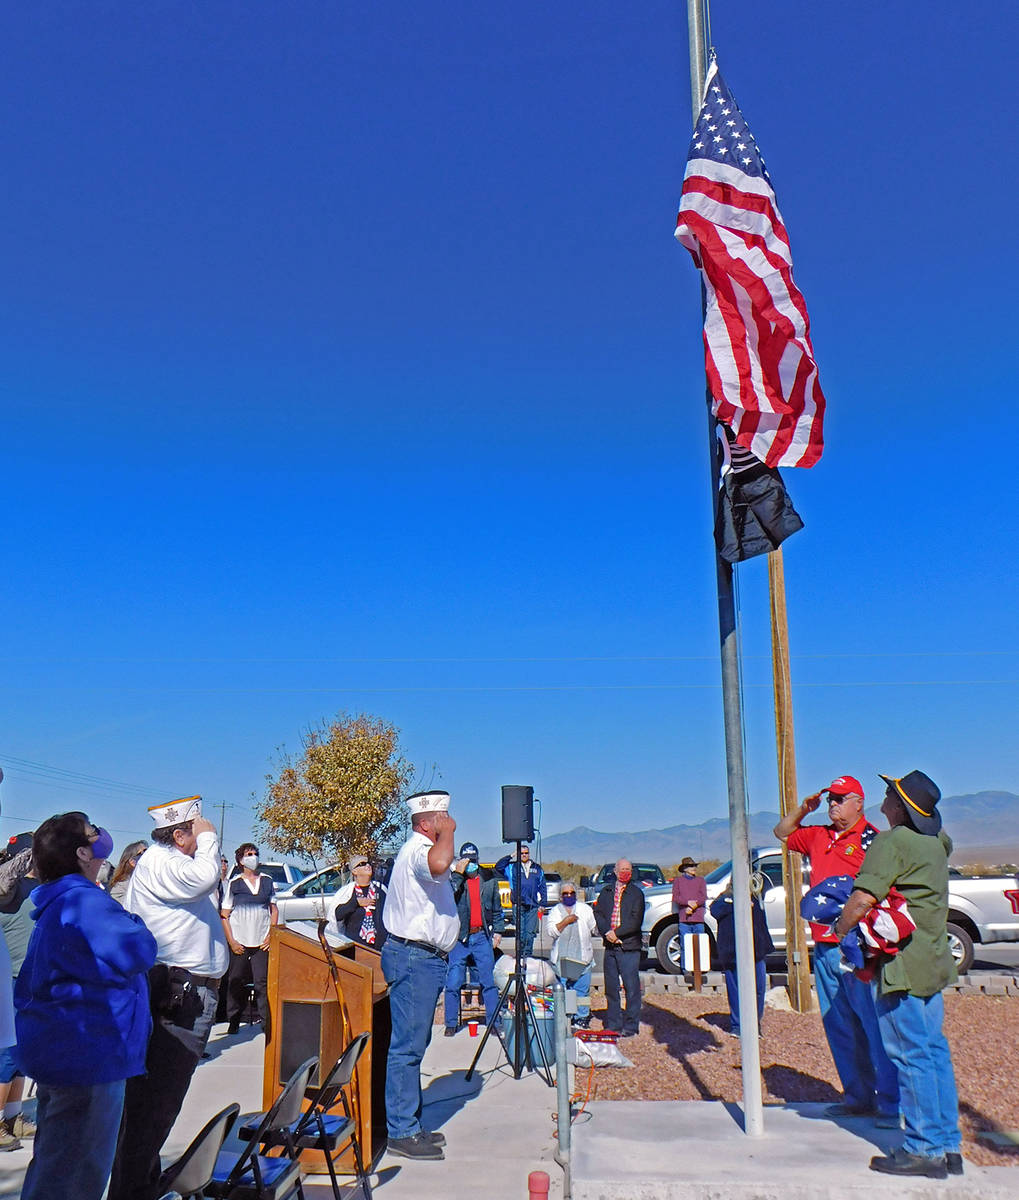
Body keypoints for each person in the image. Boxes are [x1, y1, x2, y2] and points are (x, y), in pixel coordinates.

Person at [15, 812, 157, 1200]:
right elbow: (138, 950)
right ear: (81, 852)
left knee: (57, 1163)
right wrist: (137, 923)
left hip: (71, 1055)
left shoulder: (65, 899)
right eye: (92, 834)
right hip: (89, 1058)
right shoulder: (84, 901)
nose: (100, 837)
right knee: (76, 1175)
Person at [835, 771, 963, 1180]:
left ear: (900, 806)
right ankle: (947, 1144)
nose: (883, 800)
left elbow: (863, 897)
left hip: (902, 965)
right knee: (932, 1052)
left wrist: (840, 930)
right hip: (934, 960)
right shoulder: (936, 843)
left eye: (889, 795)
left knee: (910, 1056)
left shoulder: (892, 843)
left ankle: (924, 1149)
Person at [108, 796, 229, 1200]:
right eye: (196, 829)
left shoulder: (171, 862)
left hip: (188, 991)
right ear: (179, 835)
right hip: (180, 994)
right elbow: (203, 879)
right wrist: (210, 842)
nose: (204, 834)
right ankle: (132, 1191)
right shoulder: (163, 861)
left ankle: (140, 1183)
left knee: (155, 1105)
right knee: (154, 1105)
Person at [774, 775, 899, 1126]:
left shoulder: (873, 840)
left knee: (873, 1025)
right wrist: (803, 809)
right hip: (825, 948)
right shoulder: (818, 835)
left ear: (859, 802)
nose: (833, 805)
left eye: (841, 799)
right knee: (839, 1025)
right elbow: (782, 833)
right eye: (831, 799)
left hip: (857, 947)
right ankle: (858, 1097)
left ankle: (891, 1105)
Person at [380, 790, 459, 1162]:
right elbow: (441, 864)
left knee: (414, 1043)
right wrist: (451, 832)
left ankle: (408, 1121)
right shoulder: (417, 851)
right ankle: (402, 1131)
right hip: (414, 957)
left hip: (424, 958)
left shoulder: (421, 850)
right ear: (426, 823)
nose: (448, 820)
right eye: (442, 817)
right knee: (407, 1048)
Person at [0, 833, 38, 1149]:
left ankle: (14, 1116)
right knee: (7, 1056)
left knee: (21, 1055)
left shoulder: (34, 889)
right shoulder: (8, 892)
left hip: (28, 981)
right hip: (11, 980)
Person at [443, 841, 504, 1035]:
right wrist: (458, 876)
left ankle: (492, 1021)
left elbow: (497, 909)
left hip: (481, 937)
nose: (471, 864)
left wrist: (498, 932)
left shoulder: (489, 882)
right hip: (460, 939)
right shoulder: (454, 882)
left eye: (474, 861)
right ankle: (451, 1023)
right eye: (467, 861)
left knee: (489, 981)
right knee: (453, 981)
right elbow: (447, 898)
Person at [220, 842, 278, 1036]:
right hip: (240, 941)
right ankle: (234, 1021)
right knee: (236, 980)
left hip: (261, 941)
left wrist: (271, 935)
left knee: (262, 982)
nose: (253, 857)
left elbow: (273, 910)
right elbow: (225, 915)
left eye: (255, 853)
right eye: (248, 854)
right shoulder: (234, 884)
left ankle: (265, 1022)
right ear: (240, 860)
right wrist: (232, 941)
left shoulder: (268, 881)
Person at [709, 882, 773, 1037]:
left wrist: (766, 945)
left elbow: (761, 924)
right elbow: (715, 911)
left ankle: (754, 1024)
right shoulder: (724, 899)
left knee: (758, 989)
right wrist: (737, 905)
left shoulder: (756, 899)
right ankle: (737, 1026)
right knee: (736, 990)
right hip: (733, 953)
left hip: (756, 951)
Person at [593, 858, 645, 1037]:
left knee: (631, 988)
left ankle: (631, 1026)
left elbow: (635, 920)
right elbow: (598, 914)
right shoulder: (606, 892)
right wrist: (607, 932)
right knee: (611, 988)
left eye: (628, 869)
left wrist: (617, 934)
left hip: (628, 947)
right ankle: (614, 1024)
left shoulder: (637, 893)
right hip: (610, 947)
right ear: (615, 871)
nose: (625, 872)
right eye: (622, 869)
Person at [543, 881, 598, 1027]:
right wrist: (566, 921)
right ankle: (564, 1017)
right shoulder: (555, 911)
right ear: (561, 896)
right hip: (561, 960)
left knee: (581, 992)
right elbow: (551, 932)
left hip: (582, 959)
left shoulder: (585, 909)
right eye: (565, 894)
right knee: (562, 991)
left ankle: (582, 1018)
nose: (568, 896)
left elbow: (594, 928)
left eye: (571, 893)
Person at [495, 843, 546, 959]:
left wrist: (543, 903)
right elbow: (499, 866)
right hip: (518, 905)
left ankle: (528, 956)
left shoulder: (537, 868)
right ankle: (520, 956)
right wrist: (512, 855)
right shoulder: (512, 867)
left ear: (529, 854)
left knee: (530, 934)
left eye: (526, 853)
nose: (524, 855)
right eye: (521, 853)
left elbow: (543, 886)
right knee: (521, 934)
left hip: (532, 906)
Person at [332, 853, 388, 949]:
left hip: (378, 948)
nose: (367, 865)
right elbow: (337, 915)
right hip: (355, 947)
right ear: (354, 871)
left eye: (368, 863)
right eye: (362, 864)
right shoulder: (347, 892)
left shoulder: (380, 890)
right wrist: (356, 902)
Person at [671, 856, 707, 972]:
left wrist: (694, 906)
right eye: (691, 866)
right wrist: (687, 903)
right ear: (685, 868)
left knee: (700, 945)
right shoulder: (678, 881)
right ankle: (685, 968)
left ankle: (699, 968)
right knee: (685, 945)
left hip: (698, 918)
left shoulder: (701, 880)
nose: (694, 868)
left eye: (694, 866)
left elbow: (703, 897)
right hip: (684, 918)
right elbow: (676, 897)